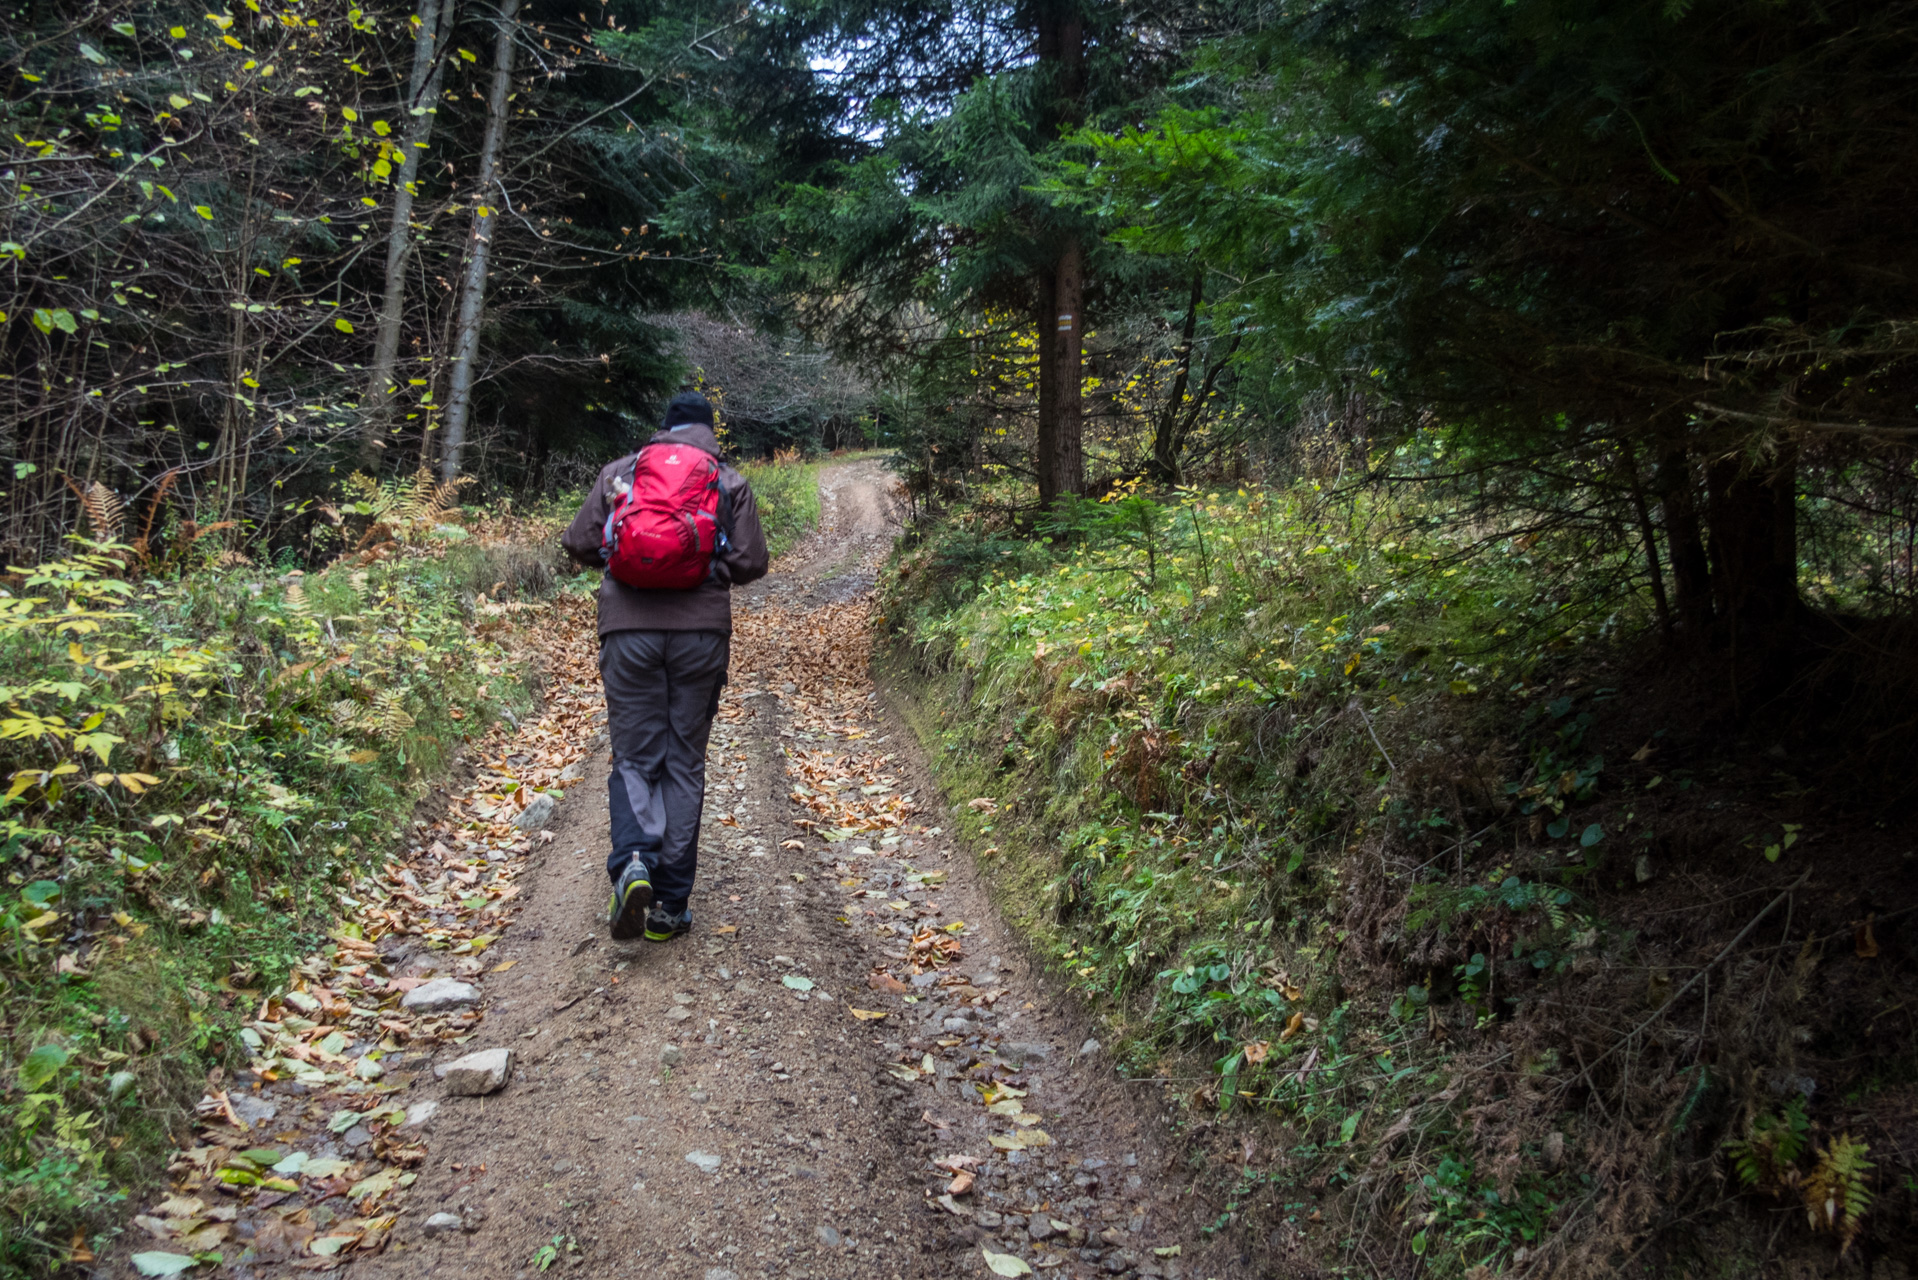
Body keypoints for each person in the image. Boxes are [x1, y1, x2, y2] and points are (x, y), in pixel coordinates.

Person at [561, 391, 769, 941]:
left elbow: (578, 542)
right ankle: (670, 906)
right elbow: (752, 562)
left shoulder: (621, 473)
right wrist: (708, 564)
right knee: (683, 763)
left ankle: (632, 862)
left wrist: (624, 558)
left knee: (634, 756)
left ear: (664, 428)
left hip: (627, 629)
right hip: (700, 633)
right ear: (707, 433)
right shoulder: (727, 480)